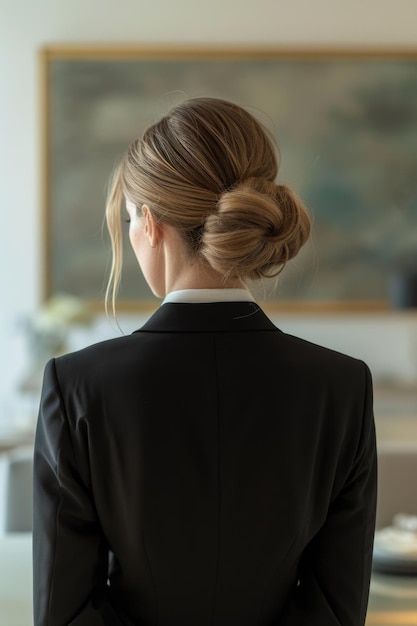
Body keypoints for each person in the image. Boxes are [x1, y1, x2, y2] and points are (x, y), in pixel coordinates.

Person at [33, 97, 377, 626]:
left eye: (129, 219)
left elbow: (64, 610)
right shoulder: (343, 386)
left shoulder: (76, 384)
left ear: (150, 224)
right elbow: (336, 604)